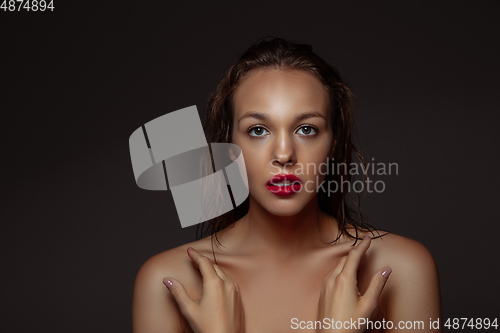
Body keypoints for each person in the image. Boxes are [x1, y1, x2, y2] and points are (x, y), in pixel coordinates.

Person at [132, 37, 441, 333]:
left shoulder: (401, 270)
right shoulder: (168, 281)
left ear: (333, 144)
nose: (283, 154)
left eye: (306, 129)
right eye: (257, 130)